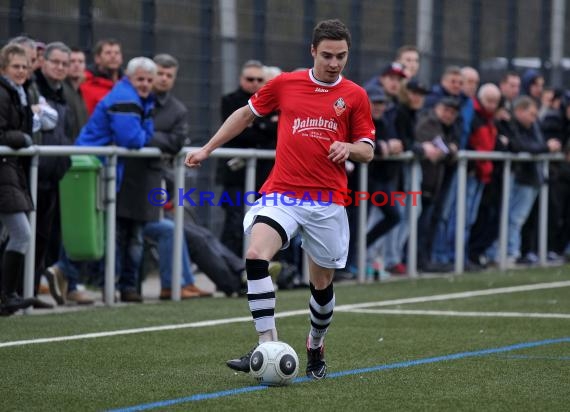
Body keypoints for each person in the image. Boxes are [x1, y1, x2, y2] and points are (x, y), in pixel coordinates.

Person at [185, 19, 375, 380]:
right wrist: (208, 148)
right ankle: (265, 344)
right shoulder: (286, 83)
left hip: (326, 201)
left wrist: (348, 146)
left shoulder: (354, 96)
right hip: (282, 193)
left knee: (321, 284)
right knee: (256, 256)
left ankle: (316, 343)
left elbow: (367, 150)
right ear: (313, 51)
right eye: (328, 56)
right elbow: (245, 114)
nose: (334, 63)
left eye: (342, 56)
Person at [46, 57, 156, 304]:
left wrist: (144, 134)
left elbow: (144, 134)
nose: (146, 84)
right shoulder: (126, 98)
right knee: (89, 226)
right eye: (141, 79)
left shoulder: (135, 97)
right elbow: (134, 139)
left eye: (149, 80)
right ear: (129, 78)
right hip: (90, 166)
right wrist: (144, 134)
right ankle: (64, 271)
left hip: (95, 166)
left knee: (94, 226)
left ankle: (67, 276)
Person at [217, 59, 277, 256]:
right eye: (250, 79)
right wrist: (265, 125)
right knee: (234, 224)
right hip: (236, 175)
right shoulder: (230, 100)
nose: (254, 83)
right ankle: (228, 270)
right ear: (241, 79)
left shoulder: (271, 102)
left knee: (262, 225)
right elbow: (239, 132)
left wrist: (255, 125)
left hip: (263, 176)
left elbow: (276, 133)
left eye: (259, 79)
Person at [0, 44, 36, 315]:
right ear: (4, 68)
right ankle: (7, 295)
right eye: (16, 66)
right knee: (21, 234)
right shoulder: (4, 93)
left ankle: (7, 294)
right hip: (5, 171)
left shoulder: (18, 93)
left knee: (14, 234)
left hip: (11, 171)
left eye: (25, 66)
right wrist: (22, 139)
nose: (21, 71)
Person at [80, 38, 123, 114]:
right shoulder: (85, 83)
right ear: (97, 58)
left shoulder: (129, 84)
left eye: (117, 53)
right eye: (108, 53)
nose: (113, 56)